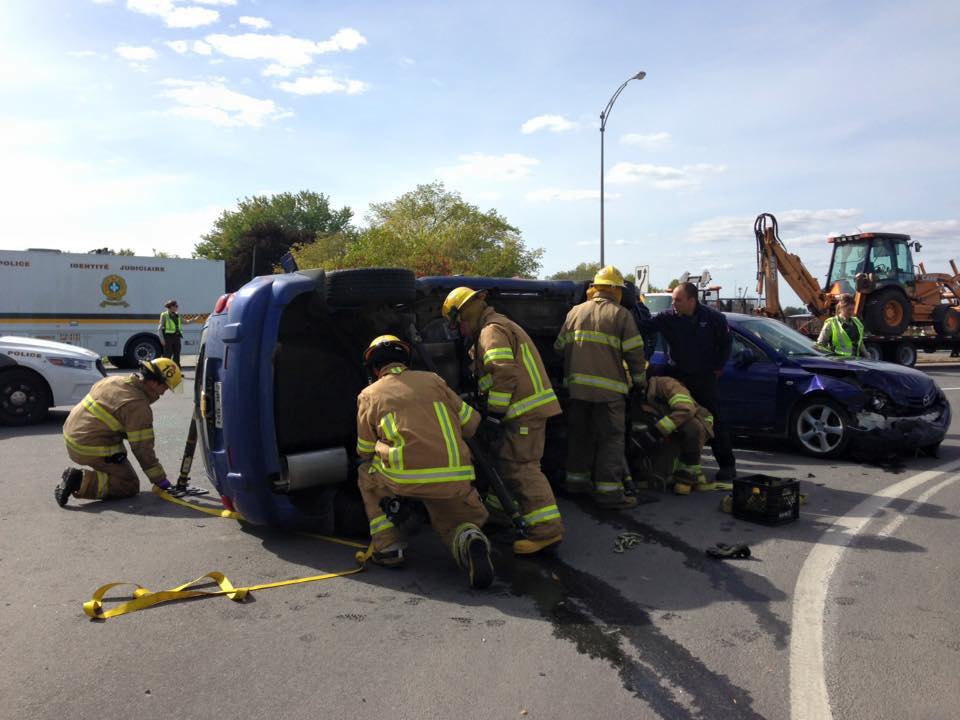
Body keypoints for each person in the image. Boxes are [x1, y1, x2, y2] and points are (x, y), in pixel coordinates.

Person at [355, 335, 494, 589]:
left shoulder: (369, 395)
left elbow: (364, 450)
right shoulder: (434, 380)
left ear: (375, 369)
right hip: (454, 476)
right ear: (405, 361)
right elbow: (471, 423)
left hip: (404, 481)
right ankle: (469, 538)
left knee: (366, 472)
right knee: (454, 523)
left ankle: (389, 547)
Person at [442, 287, 565, 555]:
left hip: (523, 411)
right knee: (504, 462)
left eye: (458, 324)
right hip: (521, 411)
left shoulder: (491, 331)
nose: (460, 331)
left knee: (521, 468)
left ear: (465, 314)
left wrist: (494, 416)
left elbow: (504, 374)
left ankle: (546, 531)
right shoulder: (493, 327)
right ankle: (499, 515)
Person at [554, 266, 647, 509]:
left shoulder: (575, 312)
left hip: (577, 392)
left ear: (595, 288)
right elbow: (635, 353)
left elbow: (559, 347)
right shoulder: (621, 315)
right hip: (609, 394)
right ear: (615, 290)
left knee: (579, 438)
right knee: (610, 441)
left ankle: (576, 484)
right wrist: (640, 382)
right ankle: (609, 494)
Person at [639, 281, 735, 485]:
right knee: (681, 420)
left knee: (716, 420)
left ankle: (727, 466)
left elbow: (726, 344)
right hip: (679, 377)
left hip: (704, 378)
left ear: (692, 301)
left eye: (678, 300)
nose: (674, 303)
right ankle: (677, 465)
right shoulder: (667, 318)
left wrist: (718, 366)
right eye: (673, 299)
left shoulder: (714, 319)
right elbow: (643, 327)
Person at [55, 358, 182, 506]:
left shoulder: (114, 380)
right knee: (128, 484)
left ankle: (92, 475)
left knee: (120, 463)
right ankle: (78, 481)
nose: (164, 392)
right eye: (165, 387)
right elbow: (142, 450)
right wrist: (161, 481)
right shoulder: (138, 405)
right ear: (154, 383)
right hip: (88, 447)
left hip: (71, 434)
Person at [630, 375, 714, 495]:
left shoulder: (667, 385)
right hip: (673, 426)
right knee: (657, 474)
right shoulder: (638, 397)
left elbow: (686, 410)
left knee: (692, 427)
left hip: (697, 421)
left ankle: (687, 473)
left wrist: (657, 431)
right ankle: (670, 470)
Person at [158, 299, 183, 366]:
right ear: (171, 307)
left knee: (177, 354)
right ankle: (165, 368)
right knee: (167, 355)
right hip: (168, 337)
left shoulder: (177, 315)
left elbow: (185, 322)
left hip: (177, 336)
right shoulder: (164, 315)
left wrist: (193, 320)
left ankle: (176, 369)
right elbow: (159, 328)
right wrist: (162, 339)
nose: (177, 307)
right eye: (176, 306)